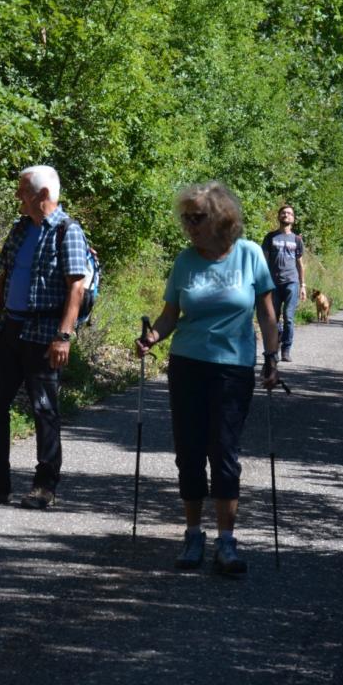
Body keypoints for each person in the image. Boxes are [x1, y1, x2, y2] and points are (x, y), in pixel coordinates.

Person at [136, 181, 281, 575]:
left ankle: (227, 541)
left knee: (224, 452)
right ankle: (193, 533)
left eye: (197, 218)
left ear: (221, 217)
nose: (189, 225)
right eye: (186, 218)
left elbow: (267, 314)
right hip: (187, 364)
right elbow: (170, 315)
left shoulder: (250, 255)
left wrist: (271, 358)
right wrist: (152, 337)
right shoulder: (184, 261)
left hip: (233, 369)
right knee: (189, 452)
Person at [0, 165, 89, 510]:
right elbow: (3, 277)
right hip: (11, 329)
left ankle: (44, 487)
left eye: (23, 191)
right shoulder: (21, 229)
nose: (18, 196)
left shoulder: (67, 231)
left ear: (43, 195)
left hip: (45, 333)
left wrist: (64, 335)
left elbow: (76, 286)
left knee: (44, 408)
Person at [260, 204, 305, 361]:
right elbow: (263, 261)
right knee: (273, 318)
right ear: (279, 216)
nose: (286, 215)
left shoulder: (297, 240)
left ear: (293, 219)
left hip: (292, 282)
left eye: (289, 213)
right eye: (283, 213)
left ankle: (286, 349)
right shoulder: (270, 237)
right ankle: (275, 347)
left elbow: (300, 264)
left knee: (289, 317)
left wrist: (303, 285)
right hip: (273, 283)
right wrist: (261, 282)